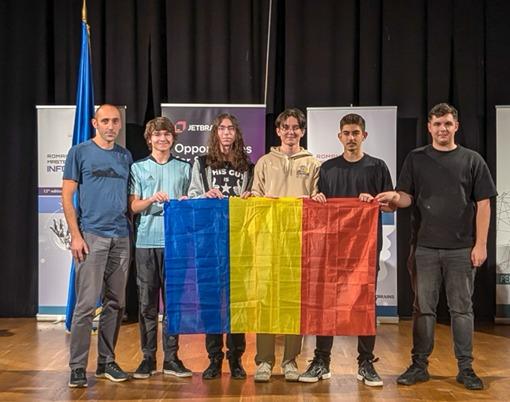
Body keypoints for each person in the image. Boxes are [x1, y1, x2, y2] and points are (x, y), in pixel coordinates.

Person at [376, 103, 497, 390]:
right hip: (425, 248)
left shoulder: (472, 160)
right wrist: (394, 198)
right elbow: (407, 197)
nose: (443, 129)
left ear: (456, 126)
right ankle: (419, 366)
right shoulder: (416, 158)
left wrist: (481, 245)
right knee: (423, 309)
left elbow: (484, 204)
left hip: (462, 249)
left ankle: (466, 368)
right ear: (429, 127)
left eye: (447, 124)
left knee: (462, 310)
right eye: (438, 124)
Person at [298, 113, 394, 386]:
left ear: (364, 135)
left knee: (365, 302)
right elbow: (319, 206)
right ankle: (321, 361)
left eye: (356, 133)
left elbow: (389, 206)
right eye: (347, 133)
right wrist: (318, 198)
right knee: (326, 301)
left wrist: (373, 201)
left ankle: (366, 363)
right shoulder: (327, 169)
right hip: (332, 247)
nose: (351, 138)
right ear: (339, 137)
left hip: (365, 249)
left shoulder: (377, 166)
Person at [62, 104, 132, 388]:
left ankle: (106, 362)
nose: (111, 126)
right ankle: (78, 367)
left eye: (115, 121)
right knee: (86, 305)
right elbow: (67, 195)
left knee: (116, 303)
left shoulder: (125, 155)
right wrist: (75, 235)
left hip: (121, 237)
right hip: (91, 236)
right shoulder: (79, 152)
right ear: (95, 123)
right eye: (105, 121)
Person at [250, 108, 321, 382]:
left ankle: (290, 361)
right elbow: (254, 198)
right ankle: (264, 361)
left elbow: (317, 200)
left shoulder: (313, 163)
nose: (290, 132)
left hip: (298, 242)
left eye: (295, 127)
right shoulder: (264, 162)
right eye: (285, 127)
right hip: (268, 241)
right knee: (265, 300)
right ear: (278, 131)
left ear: (302, 131)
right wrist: (255, 199)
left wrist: (318, 199)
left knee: (294, 302)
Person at [188, 113, 254, 379]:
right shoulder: (201, 163)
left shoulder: (247, 166)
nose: (226, 133)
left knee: (237, 301)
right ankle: (214, 358)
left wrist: (250, 198)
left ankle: (236, 358)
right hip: (210, 240)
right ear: (215, 133)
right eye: (222, 128)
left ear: (237, 134)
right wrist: (204, 195)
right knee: (211, 300)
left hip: (238, 240)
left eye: (231, 129)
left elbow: (254, 202)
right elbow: (192, 195)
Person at [129, 117, 192, 379]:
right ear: (149, 139)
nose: (162, 139)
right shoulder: (138, 167)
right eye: (157, 135)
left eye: (166, 134)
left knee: (173, 304)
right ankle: (147, 358)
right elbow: (133, 207)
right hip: (146, 243)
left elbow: (192, 202)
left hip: (176, 243)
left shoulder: (185, 168)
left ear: (173, 138)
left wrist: (186, 201)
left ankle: (171, 358)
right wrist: (151, 199)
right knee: (147, 304)